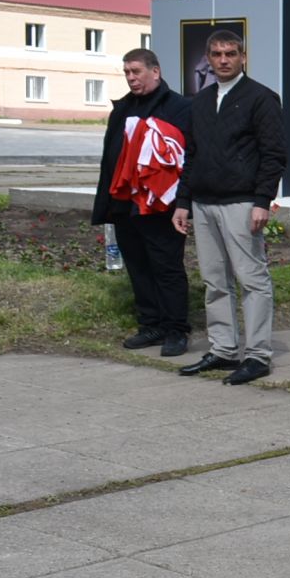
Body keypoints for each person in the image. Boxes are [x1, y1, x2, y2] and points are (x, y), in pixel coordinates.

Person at [173, 29, 287, 386]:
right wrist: (183, 201)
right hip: (204, 203)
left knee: (252, 280)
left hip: (241, 203)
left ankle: (257, 355)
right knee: (214, 281)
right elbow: (191, 155)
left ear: (243, 57)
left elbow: (274, 154)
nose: (224, 60)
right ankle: (223, 350)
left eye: (231, 53)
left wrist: (261, 201)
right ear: (208, 58)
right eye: (217, 54)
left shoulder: (262, 99)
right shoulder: (200, 101)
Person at [94, 47, 192, 357]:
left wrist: (184, 202)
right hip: (124, 204)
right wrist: (108, 202)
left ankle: (177, 329)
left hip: (162, 206)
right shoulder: (122, 108)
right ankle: (152, 325)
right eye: (126, 73)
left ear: (155, 71)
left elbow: (188, 158)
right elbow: (109, 158)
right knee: (138, 267)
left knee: (167, 268)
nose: (131, 78)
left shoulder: (179, 107)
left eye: (136, 71)